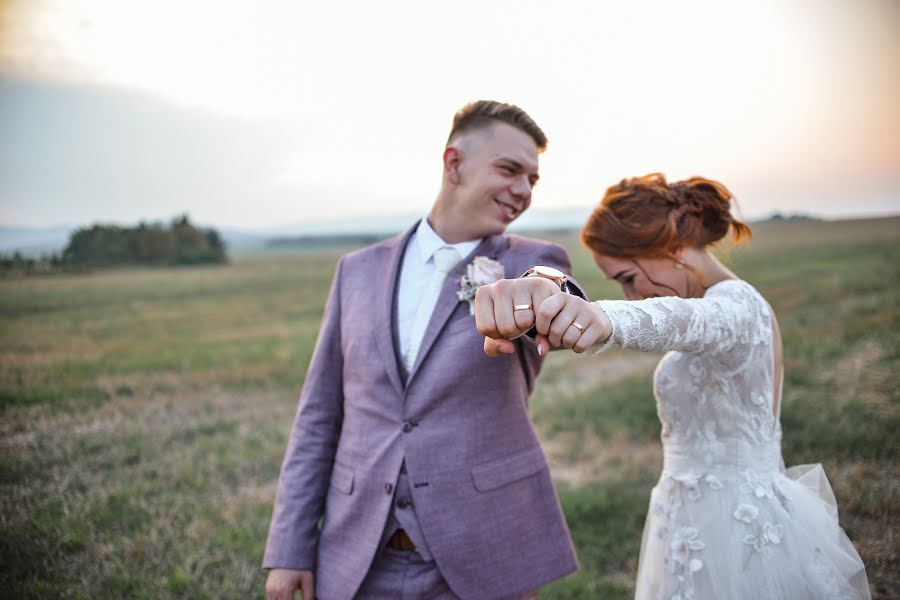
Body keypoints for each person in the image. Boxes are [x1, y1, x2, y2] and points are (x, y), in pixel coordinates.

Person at [475, 173, 871, 599]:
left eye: (629, 277)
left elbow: (683, 322)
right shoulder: (709, 307)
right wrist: (544, 312)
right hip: (685, 520)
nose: (631, 296)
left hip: (740, 531)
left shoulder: (740, 306)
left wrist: (607, 319)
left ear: (673, 249)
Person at [263, 100, 582, 600]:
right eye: (509, 169)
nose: (522, 190)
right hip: (357, 558)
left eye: (532, 180)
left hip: (483, 557)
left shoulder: (528, 260)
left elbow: (554, 285)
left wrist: (545, 289)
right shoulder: (357, 271)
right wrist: (289, 548)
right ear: (454, 163)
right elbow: (319, 415)